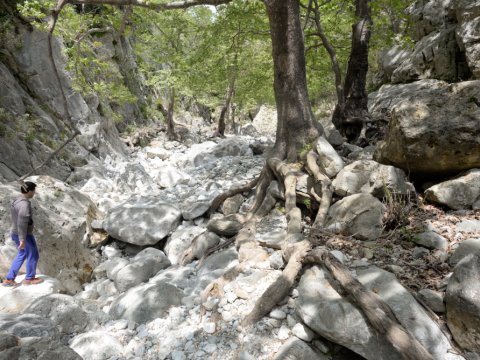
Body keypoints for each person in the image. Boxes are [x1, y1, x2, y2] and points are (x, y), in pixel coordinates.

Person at [2, 181, 43, 287]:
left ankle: (9, 279)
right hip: (24, 235)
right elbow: (22, 222)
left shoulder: (17, 200)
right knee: (33, 254)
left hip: (15, 233)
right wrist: (23, 239)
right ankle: (30, 278)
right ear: (29, 191)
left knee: (22, 254)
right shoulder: (24, 204)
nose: (34, 192)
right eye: (33, 190)